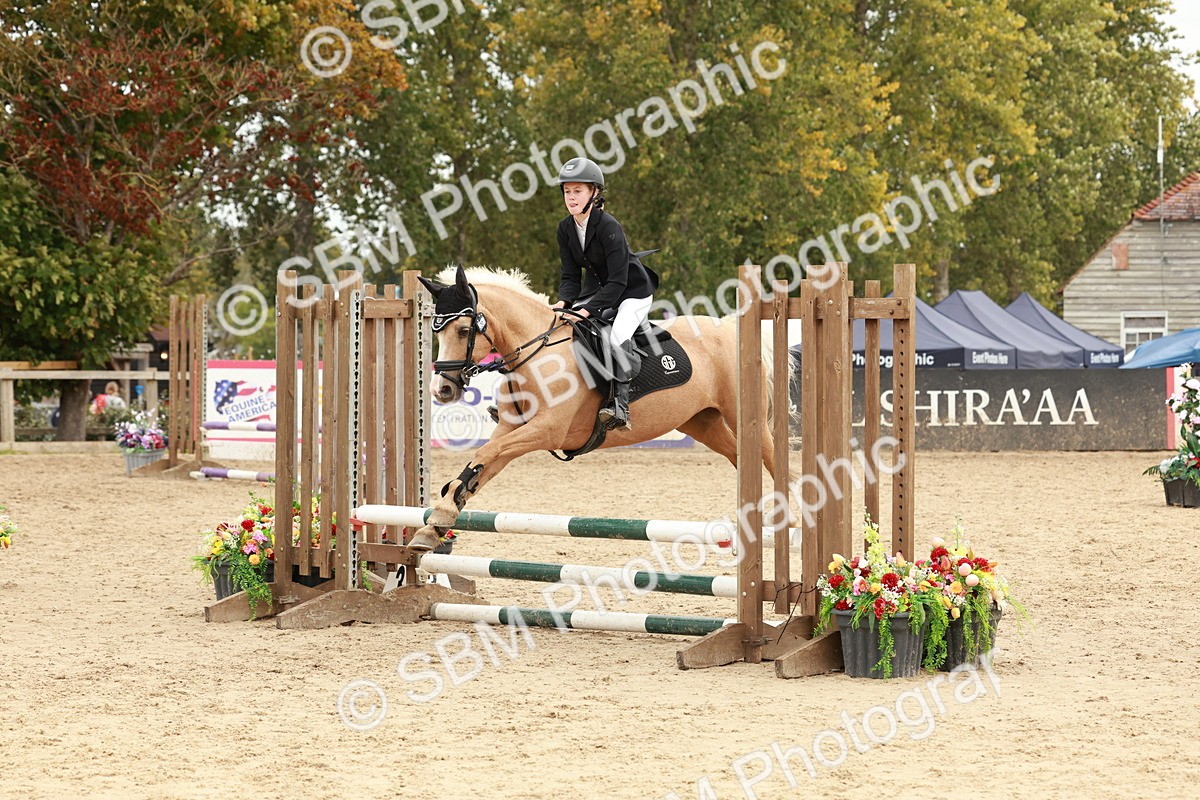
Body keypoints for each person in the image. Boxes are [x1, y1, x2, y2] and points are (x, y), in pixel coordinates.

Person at [552, 157, 658, 430]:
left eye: (578, 191)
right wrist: (563, 303)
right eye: (567, 191)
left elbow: (618, 282)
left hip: (632, 292)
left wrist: (585, 311)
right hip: (599, 291)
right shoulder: (565, 228)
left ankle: (620, 407)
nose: (571, 197)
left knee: (616, 337)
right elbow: (570, 276)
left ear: (594, 193)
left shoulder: (609, 226)